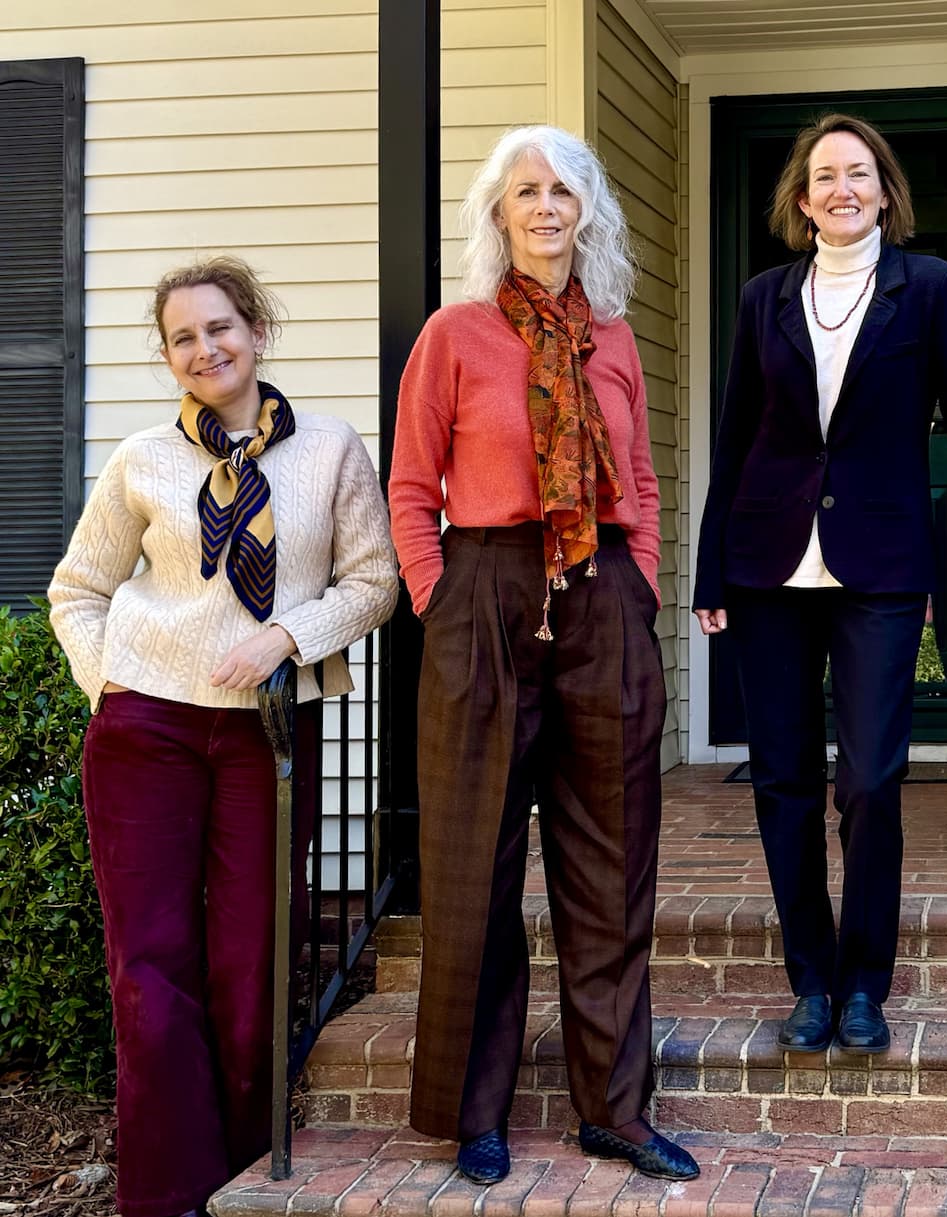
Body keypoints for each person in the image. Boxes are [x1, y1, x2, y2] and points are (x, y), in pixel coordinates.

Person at [692, 114, 947, 1056]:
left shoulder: (925, 288)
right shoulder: (761, 297)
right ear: (801, 197)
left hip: (881, 568)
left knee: (867, 779)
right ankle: (808, 983)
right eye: (824, 176)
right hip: (769, 565)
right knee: (781, 781)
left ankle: (865, 982)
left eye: (858, 173)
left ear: (886, 192)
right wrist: (706, 566)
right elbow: (733, 437)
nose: (841, 189)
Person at [47, 255, 398, 1217]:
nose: (206, 348)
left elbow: (375, 583)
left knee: (253, 955)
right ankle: (165, 1190)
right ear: (168, 357)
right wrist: (109, 683)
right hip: (145, 729)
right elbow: (76, 588)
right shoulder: (141, 460)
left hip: (271, 733)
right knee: (149, 963)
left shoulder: (329, 448)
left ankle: (243, 1169)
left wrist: (289, 635)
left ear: (257, 330)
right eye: (184, 338)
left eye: (221, 327)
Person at [387, 125, 697, 1186]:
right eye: (525, 190)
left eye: (563, 190)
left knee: (611, 866)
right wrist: (440, 600)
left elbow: (644, 484)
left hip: (602, 596)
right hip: (483, 591)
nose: (545, 206)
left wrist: (642, 580)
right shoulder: (455, 333)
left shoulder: (611, 339)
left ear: (588, 212)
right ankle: (478, 1111)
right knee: (475, 865)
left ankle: (614, 1108)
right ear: (498, 213)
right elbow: (411, 487)